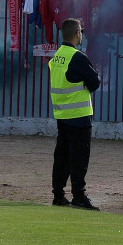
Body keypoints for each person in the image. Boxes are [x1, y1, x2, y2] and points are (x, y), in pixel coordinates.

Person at [49, 17, 101, 209]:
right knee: (78, 158)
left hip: (61, 115)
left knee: (61, 156)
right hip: (78, 115)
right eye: (81, 31)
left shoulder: (57, 56)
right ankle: (79, 196)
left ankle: (58, 195)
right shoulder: (77, 57)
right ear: (77, 33)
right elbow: (94, 83)